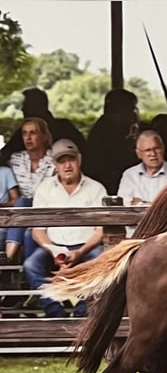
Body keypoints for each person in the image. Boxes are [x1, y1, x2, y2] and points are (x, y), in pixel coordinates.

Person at [23, 139, 107, 318]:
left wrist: (81, 252)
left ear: (79, 160)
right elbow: (38, 231)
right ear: (55, 165)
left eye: (71, 160)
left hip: (87, 247)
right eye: (61, 161)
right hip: (54, 247)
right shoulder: (44, 189)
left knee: (102, 259)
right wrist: (55, 251)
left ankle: (82, 313)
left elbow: (101, 230)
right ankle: (55, 312)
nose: (67, 165)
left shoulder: (96, 188)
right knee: (30, 265)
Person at [4, 117, 57, 263]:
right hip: (21, 214)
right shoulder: (16, 159)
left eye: (33, 133)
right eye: (24, 133)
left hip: (46, 209)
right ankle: (19, 266)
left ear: (44, 136)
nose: (28, 137)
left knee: (24, 201)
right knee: (28, 231)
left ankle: (8, 257)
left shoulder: (54, 160)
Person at [0, 88, 87, 166]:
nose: (22, 109)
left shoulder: (64, 128)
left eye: (26, 105)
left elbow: (4, 155)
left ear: (35, 107)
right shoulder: (65, 127)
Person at [84, 89, 141, 195]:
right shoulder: (103, 133)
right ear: (120, 109)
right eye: (131, 109)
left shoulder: (119, 129)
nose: (134, 113)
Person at [118, 130, 167, 207]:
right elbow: (124, 205)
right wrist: (162, 205)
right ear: (139, 154)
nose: (153, 154)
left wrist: (142, 204)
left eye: (157, 148)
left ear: (163, 149)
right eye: (148, 150)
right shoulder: (129, 175)